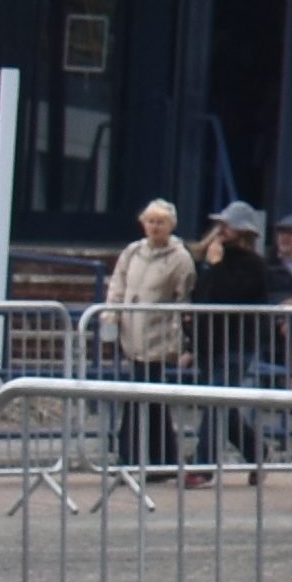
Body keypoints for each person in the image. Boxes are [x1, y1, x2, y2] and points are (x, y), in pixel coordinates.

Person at [99, 198, 197, 483]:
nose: (154, 227)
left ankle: (143, 457)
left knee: (148, 398)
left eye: (160, 222)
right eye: (151, 221)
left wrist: (180, 339)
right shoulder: (133, 252)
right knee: (141, 397)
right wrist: (111, 313)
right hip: (132, 332)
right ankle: (150, 458)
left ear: (171, 226)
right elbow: (118, 284)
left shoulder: (179, 257)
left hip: (159, 335)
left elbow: (184, 296)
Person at [195, 203, 285, 470]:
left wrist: (216, 266)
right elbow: (202, 297)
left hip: (237, 344)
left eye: (228, 226)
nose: (221, 231)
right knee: (223, 407)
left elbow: (230, 293)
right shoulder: (211, 260)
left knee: (215, 404)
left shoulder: (253, 264)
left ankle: (203, 466)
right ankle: (258, 451)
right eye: (221, 225)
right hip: (209, 342)